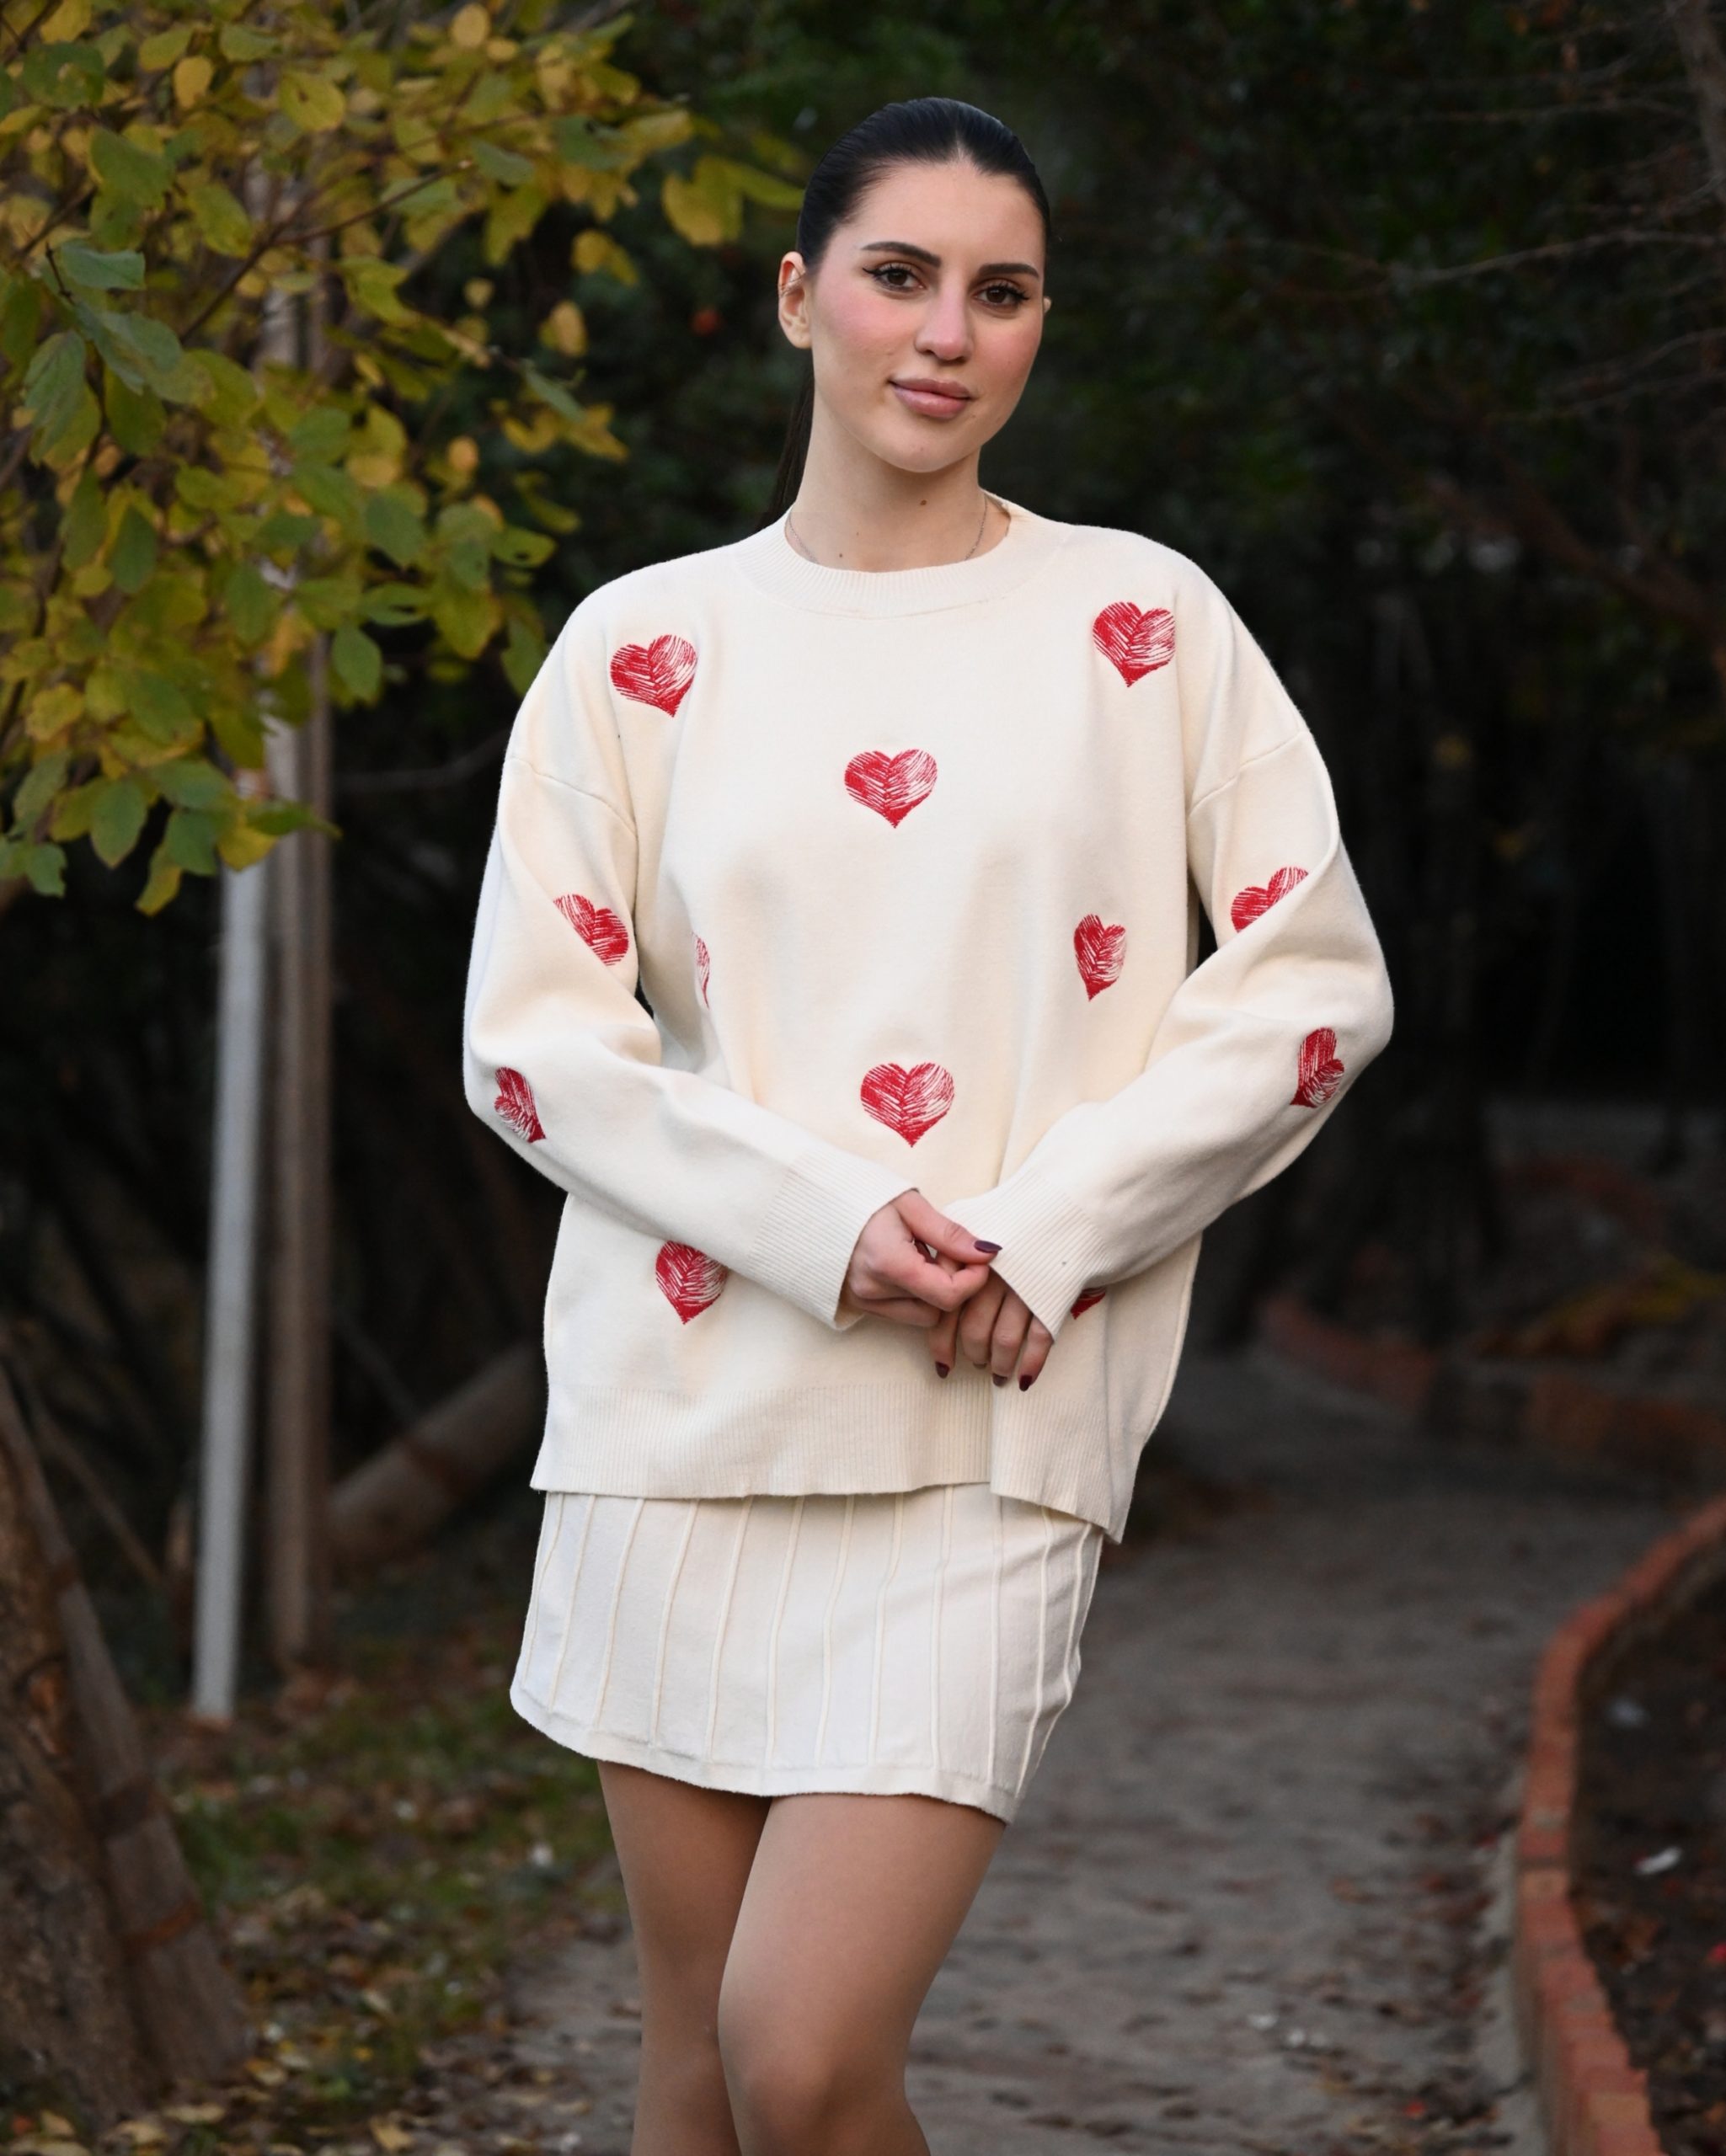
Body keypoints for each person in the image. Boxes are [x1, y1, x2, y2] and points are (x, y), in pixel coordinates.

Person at [461, 93, 1395, 2156]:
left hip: (991, 1409)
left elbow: (1310, 984)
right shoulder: (643, 646)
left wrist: (1043, 1229)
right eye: (899, 276)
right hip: (679, 1424)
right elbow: (535, 1045)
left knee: (802, 2056)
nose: (948, 332)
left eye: (1002, 291)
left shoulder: (1141, 625)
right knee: (694, 2073)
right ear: (799, 297)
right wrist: (829, 1220)